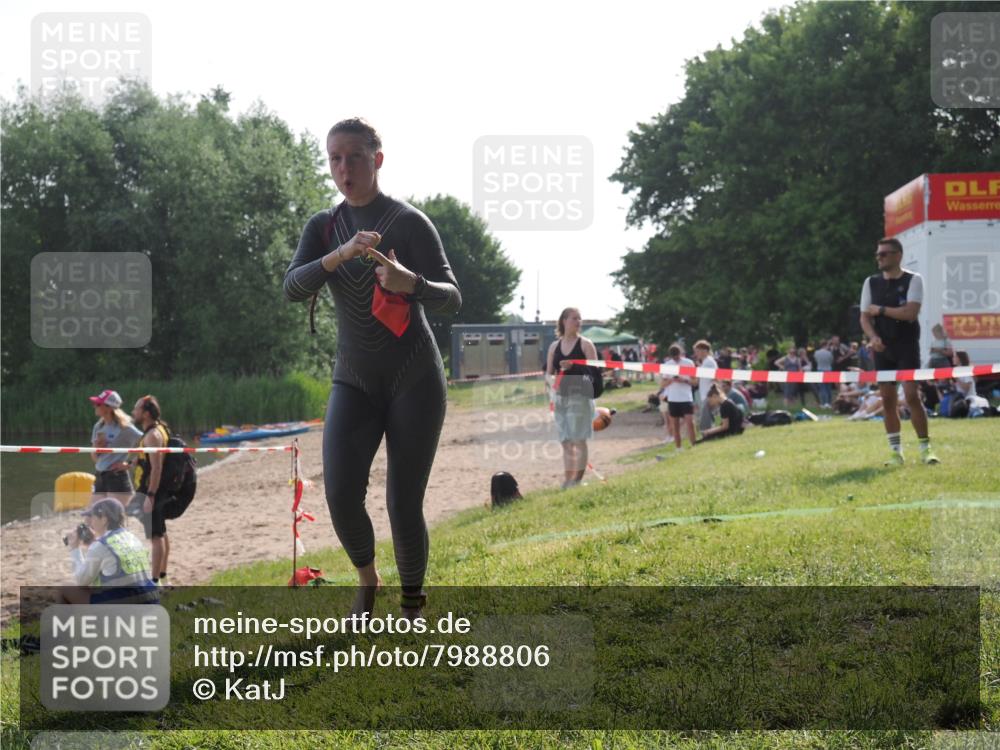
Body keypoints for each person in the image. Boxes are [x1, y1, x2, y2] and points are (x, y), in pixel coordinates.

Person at [283, 118, 461, 620]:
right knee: (341, 493)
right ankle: (368, 580)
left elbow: (453, 298)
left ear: (377, 160)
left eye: (355, 157)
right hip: (354, 379)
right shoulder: (323, 227)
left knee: (403, 502)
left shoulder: (409, 221)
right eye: (335, 159)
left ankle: (412, 603)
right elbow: (292, 287)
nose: (344, 168)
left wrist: (412, 283)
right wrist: (339, 255)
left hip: (414, 378)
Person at [859, 237, 939, 465]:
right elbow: (864, 317)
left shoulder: (914, 280)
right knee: (887, 399)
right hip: (882, 348)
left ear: (898, 255)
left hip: (906, 346)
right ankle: (896, 452)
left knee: (912, 396)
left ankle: (925, 449)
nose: (879, 258)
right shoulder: (871, 282)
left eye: (884, 254)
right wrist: (873, 337)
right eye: (877, 254)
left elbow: (910, 313)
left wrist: (881, 310)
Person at [132, 395, 196, 585]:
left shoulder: (153, 435)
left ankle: (154, 582)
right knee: (160, 532)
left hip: (155, 489)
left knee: (156, 536)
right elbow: (145, 459)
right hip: (158, 488)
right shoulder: (159, 428)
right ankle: (163, 577)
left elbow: (157, 467)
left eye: (136, 409)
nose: (133, 412)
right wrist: (128, 464)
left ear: (145, 414)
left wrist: (150, 495)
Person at [58, 497, 158, 605]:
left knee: (66, 589)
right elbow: (111, 557)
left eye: (92, 517)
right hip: (150, 602)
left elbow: (81, 581)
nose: (90, 522)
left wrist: (74, 548)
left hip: (125, 609)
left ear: (104, 519)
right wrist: (94, 542)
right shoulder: (132, 538)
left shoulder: (100, 546)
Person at [545, 308, 599, 489]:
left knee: (578, 439)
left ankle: (577, 480)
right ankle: (568, 480)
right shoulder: (554, 347)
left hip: (580, 397)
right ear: (564, 321)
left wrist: (574, 367)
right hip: (560, 397)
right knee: (566, 441)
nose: (578, 322)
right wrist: (550, 389)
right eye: (574, 318)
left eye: (580, 318)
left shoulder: (586, 344)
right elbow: (549, 373)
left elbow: (595, 373)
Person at [87, 389, 143, 507]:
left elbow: (149, 446)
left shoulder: (125, 428)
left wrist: (129, 464)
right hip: (100, 475)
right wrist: (97, 449)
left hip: (116, 476)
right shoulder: (98, 426)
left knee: (116, 516)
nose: (94, 406)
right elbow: (94, 458)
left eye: (98, 404)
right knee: (94, 515)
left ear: (109, 407)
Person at [663, 344, 697, 450]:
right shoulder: (667, 365)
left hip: (686, 397)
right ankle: (678, 448)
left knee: (690, 423)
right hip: (673, 398)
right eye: (673, 357)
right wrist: (672, 380)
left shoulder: (689, 363)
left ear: (681, 353)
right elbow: (663, 384)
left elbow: (695, 382)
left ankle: (694, 445)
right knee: (675, 425)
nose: (676, 358)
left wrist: (684, 380)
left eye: (677, 356)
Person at [693, 340, 718, 433]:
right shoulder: (706, 362)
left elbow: (714, 378)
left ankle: (707, 435)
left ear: (704, 350)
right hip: (706, 394)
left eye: (697, 351)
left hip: (709, 394)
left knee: (706, 420)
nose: (696, 354)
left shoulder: (709, 362)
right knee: (708, 419)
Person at [813, 340, 835, 408]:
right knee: (828, 387)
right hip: (828, 370)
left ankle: (823, 403)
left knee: (822, 388)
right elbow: (831, 361)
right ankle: (829, 402)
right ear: (826, 345)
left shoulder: (816, 352)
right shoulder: (829, 353)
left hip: (820, 370)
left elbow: (816, 361)